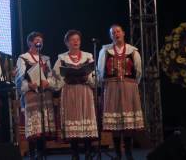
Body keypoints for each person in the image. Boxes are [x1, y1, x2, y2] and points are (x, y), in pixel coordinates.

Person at [97, 24, 144, 160]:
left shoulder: (132, 51)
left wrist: (133, 85)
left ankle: (128, 152)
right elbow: (100, 71)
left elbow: (139, 71)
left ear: (123, 33)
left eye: (118, 31)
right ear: (110, 36)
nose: (116, 34)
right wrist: (104, 85)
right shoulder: (105, 51)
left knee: (127, 121)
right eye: (112, 33)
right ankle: (118, 153)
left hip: (128, 87)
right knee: (116, 120)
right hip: (111, 87)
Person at [52, 30, 98, 160]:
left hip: (84, 91)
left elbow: (94, 75)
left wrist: (87, 77)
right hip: (70, 91)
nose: (76, 42)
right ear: (67, 43)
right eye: (72, 39)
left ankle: (88, 151)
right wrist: (63, 79)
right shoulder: (62, 58)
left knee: (85, 118)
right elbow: (55, 76)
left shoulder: (88, 56)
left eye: (77, 39)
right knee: (72, 119)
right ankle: (75, 153)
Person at [15, 32, 56, 160]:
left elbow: (50, 75)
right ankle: (33, 155)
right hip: (31, 95)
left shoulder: (45, 59)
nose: (39, 42)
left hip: (44, 94)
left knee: (43, 125)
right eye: (37, 40)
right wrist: (29, 85)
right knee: (34, 126)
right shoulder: (23, 58)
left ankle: (42, 153)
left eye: (41, 40)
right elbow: (19, 78)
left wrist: (48, 82)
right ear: (30, 42)